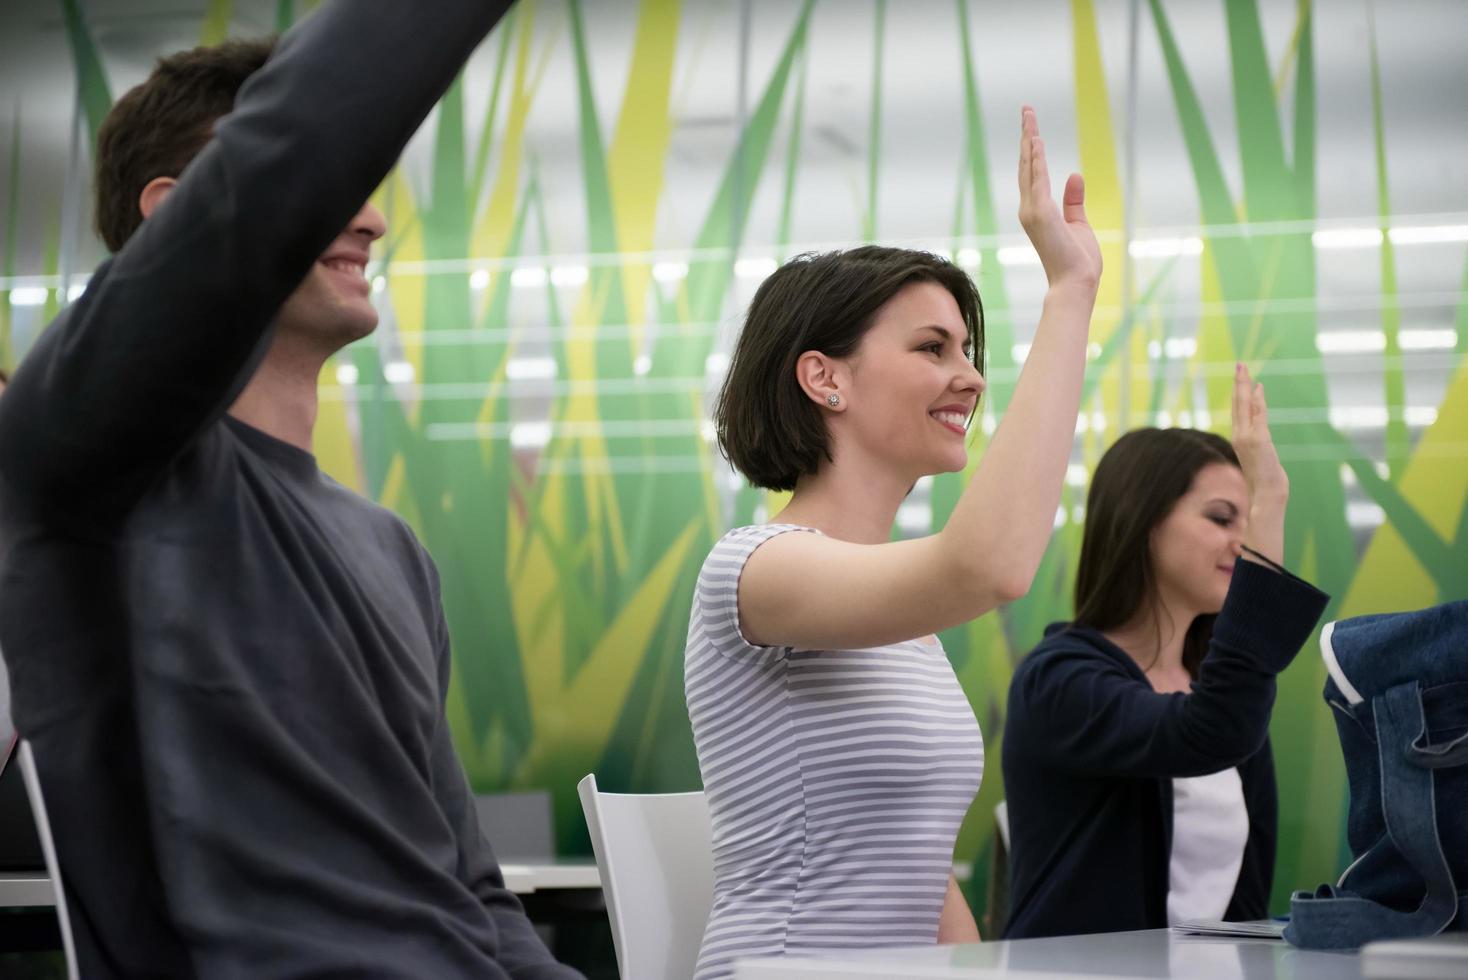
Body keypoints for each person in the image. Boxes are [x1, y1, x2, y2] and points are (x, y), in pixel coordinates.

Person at [0, 3, 581, 977]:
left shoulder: (390, 548)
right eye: (332, 188)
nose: (372, 217)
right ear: (170, 216)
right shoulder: (86, 453)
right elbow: (300, 134)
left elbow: (468, 888)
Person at [682, 107, 1102, 978]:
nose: (971, 375)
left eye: (969, 348)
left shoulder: (903, 621)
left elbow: (918, 874)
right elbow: (990, 565)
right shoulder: (756, 571)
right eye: (933, 347)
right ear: (823, 377)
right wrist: (1070, 293)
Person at [1001, 365, 1330, 939]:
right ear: (1143, 524)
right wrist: (1270, 501)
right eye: (1222, 518)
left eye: (1248, 521)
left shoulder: (1221, 685)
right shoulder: (1057, 680)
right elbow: (1210, 731)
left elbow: (1246, 905)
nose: (1242, 541)